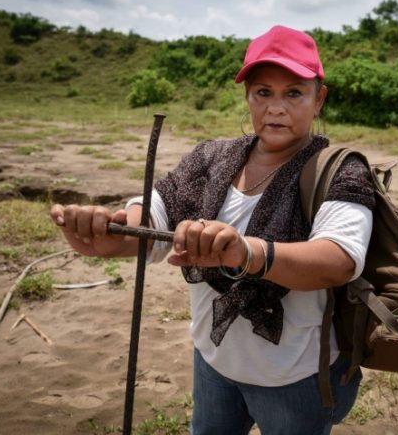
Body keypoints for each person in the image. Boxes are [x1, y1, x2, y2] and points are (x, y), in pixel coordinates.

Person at [50, 25, 375, 435]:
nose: (276, 107)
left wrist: (246, 252)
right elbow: (155, 212)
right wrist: (109, 233)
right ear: (248, 96)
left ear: (319, 99)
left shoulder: (340, 170)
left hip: (295, 375)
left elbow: (338, 260)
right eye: (263, 92)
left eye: (294, 93)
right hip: (214, 361)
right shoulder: (211, 157)